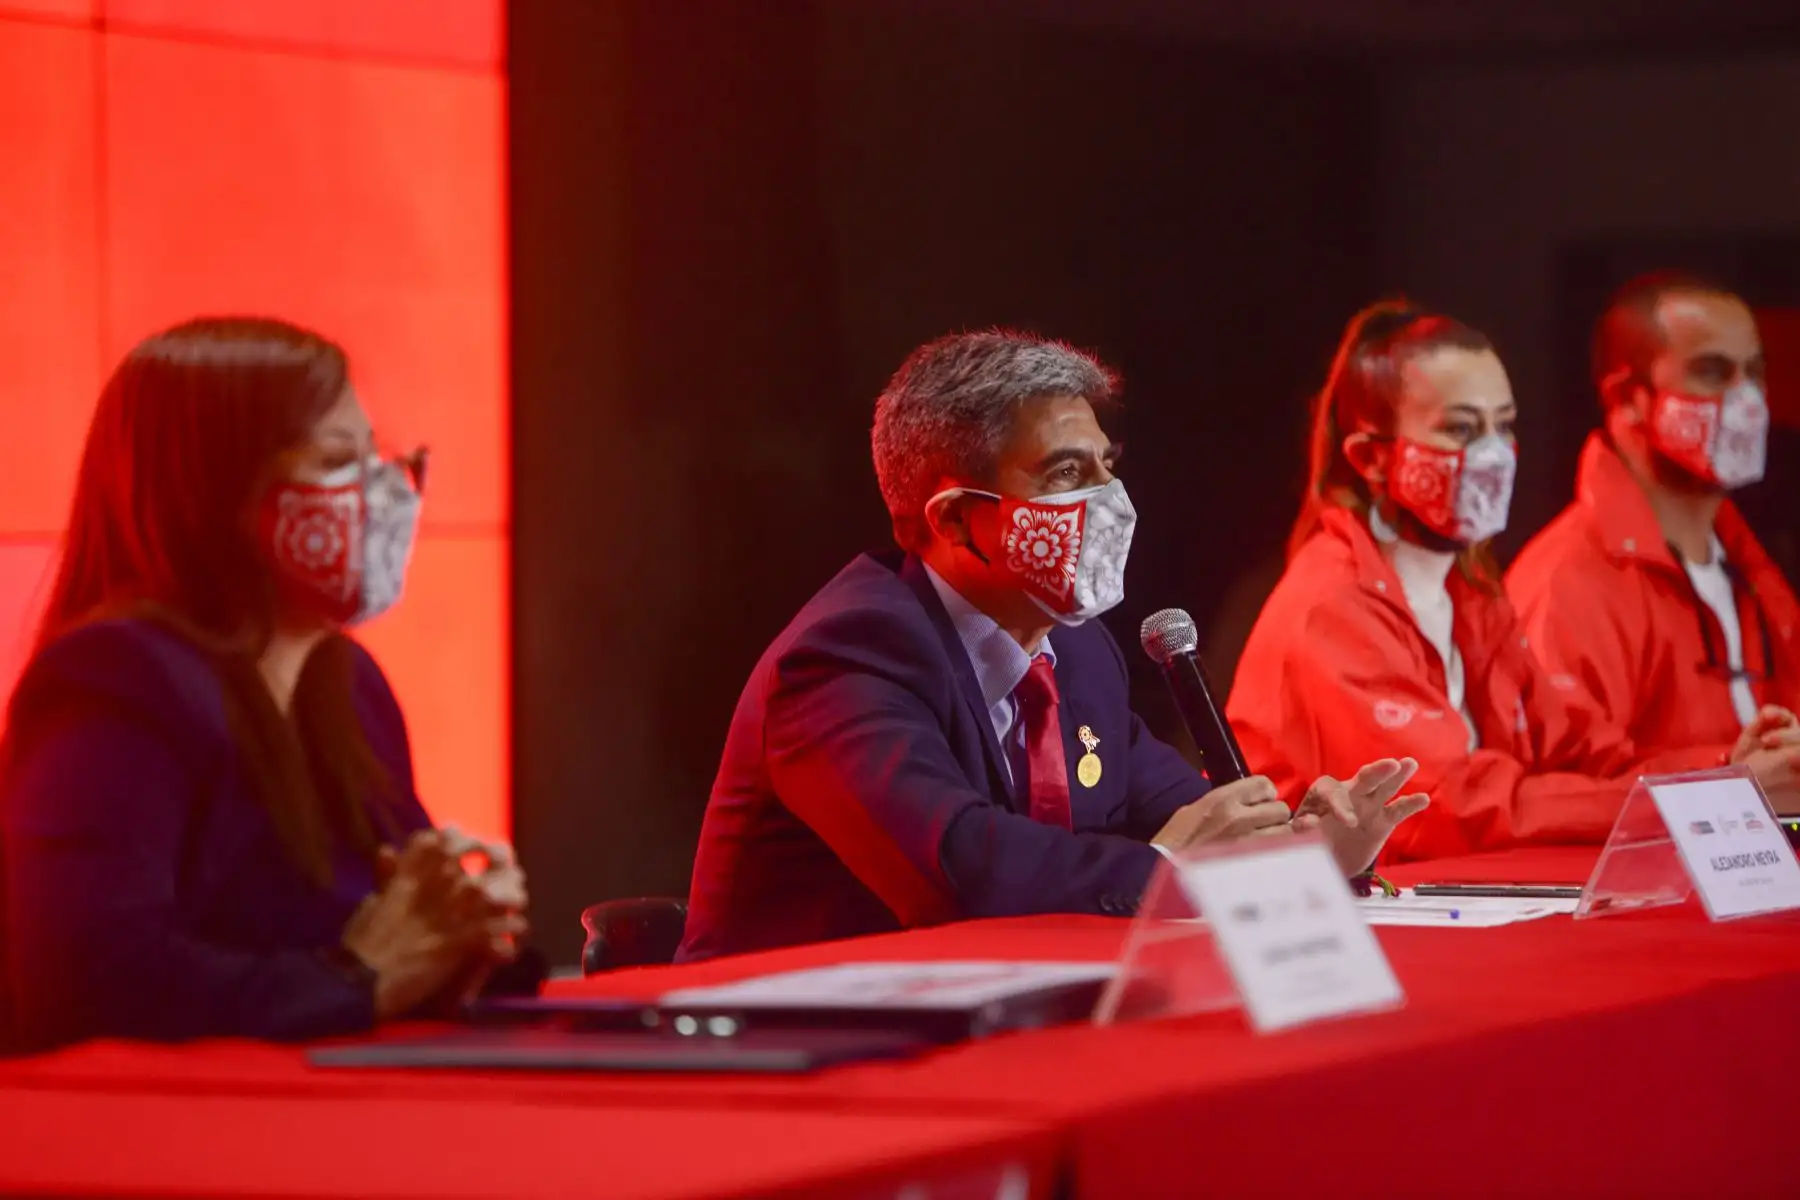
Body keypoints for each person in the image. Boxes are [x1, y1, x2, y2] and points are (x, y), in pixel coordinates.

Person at [679, 330, 1429, 961]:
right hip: (788, 1055)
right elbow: (958, 869)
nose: (1109, 500)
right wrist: (1172, 867)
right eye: (1066, 473)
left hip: (997, 1018)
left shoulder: (1079, 652)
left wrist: (1304, 856)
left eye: (1108, 466)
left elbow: (1191, 819)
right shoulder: (849, 656)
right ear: (953, 520)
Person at [0, 317, 528, 1049]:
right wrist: (358, 976)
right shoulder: (111, 685)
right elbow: (88, 982)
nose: (382, 489)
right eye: (337, 460)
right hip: (172, 1139)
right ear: (217, 491)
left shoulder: (347, 686)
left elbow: (400, 941)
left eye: (377, 457)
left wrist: (473, 929)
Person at [1225, 302, 1796, 863]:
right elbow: (1449, 807)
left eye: (1504, 425)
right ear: (1371, 459)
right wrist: (1714, 793)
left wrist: (1729, 767)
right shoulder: (1331, 606)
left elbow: (1577, 752)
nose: (1494, 454)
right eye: (1461, 429)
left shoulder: (1469, 588)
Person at [1509, 273, 1800, 801]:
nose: (1748, 401)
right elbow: (1568, 789)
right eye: (1713, 372)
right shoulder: (1568, 579)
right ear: (1627, 397)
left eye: (1755, 373)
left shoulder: (1752, 571)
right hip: (1643, 882)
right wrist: (1732, 779)